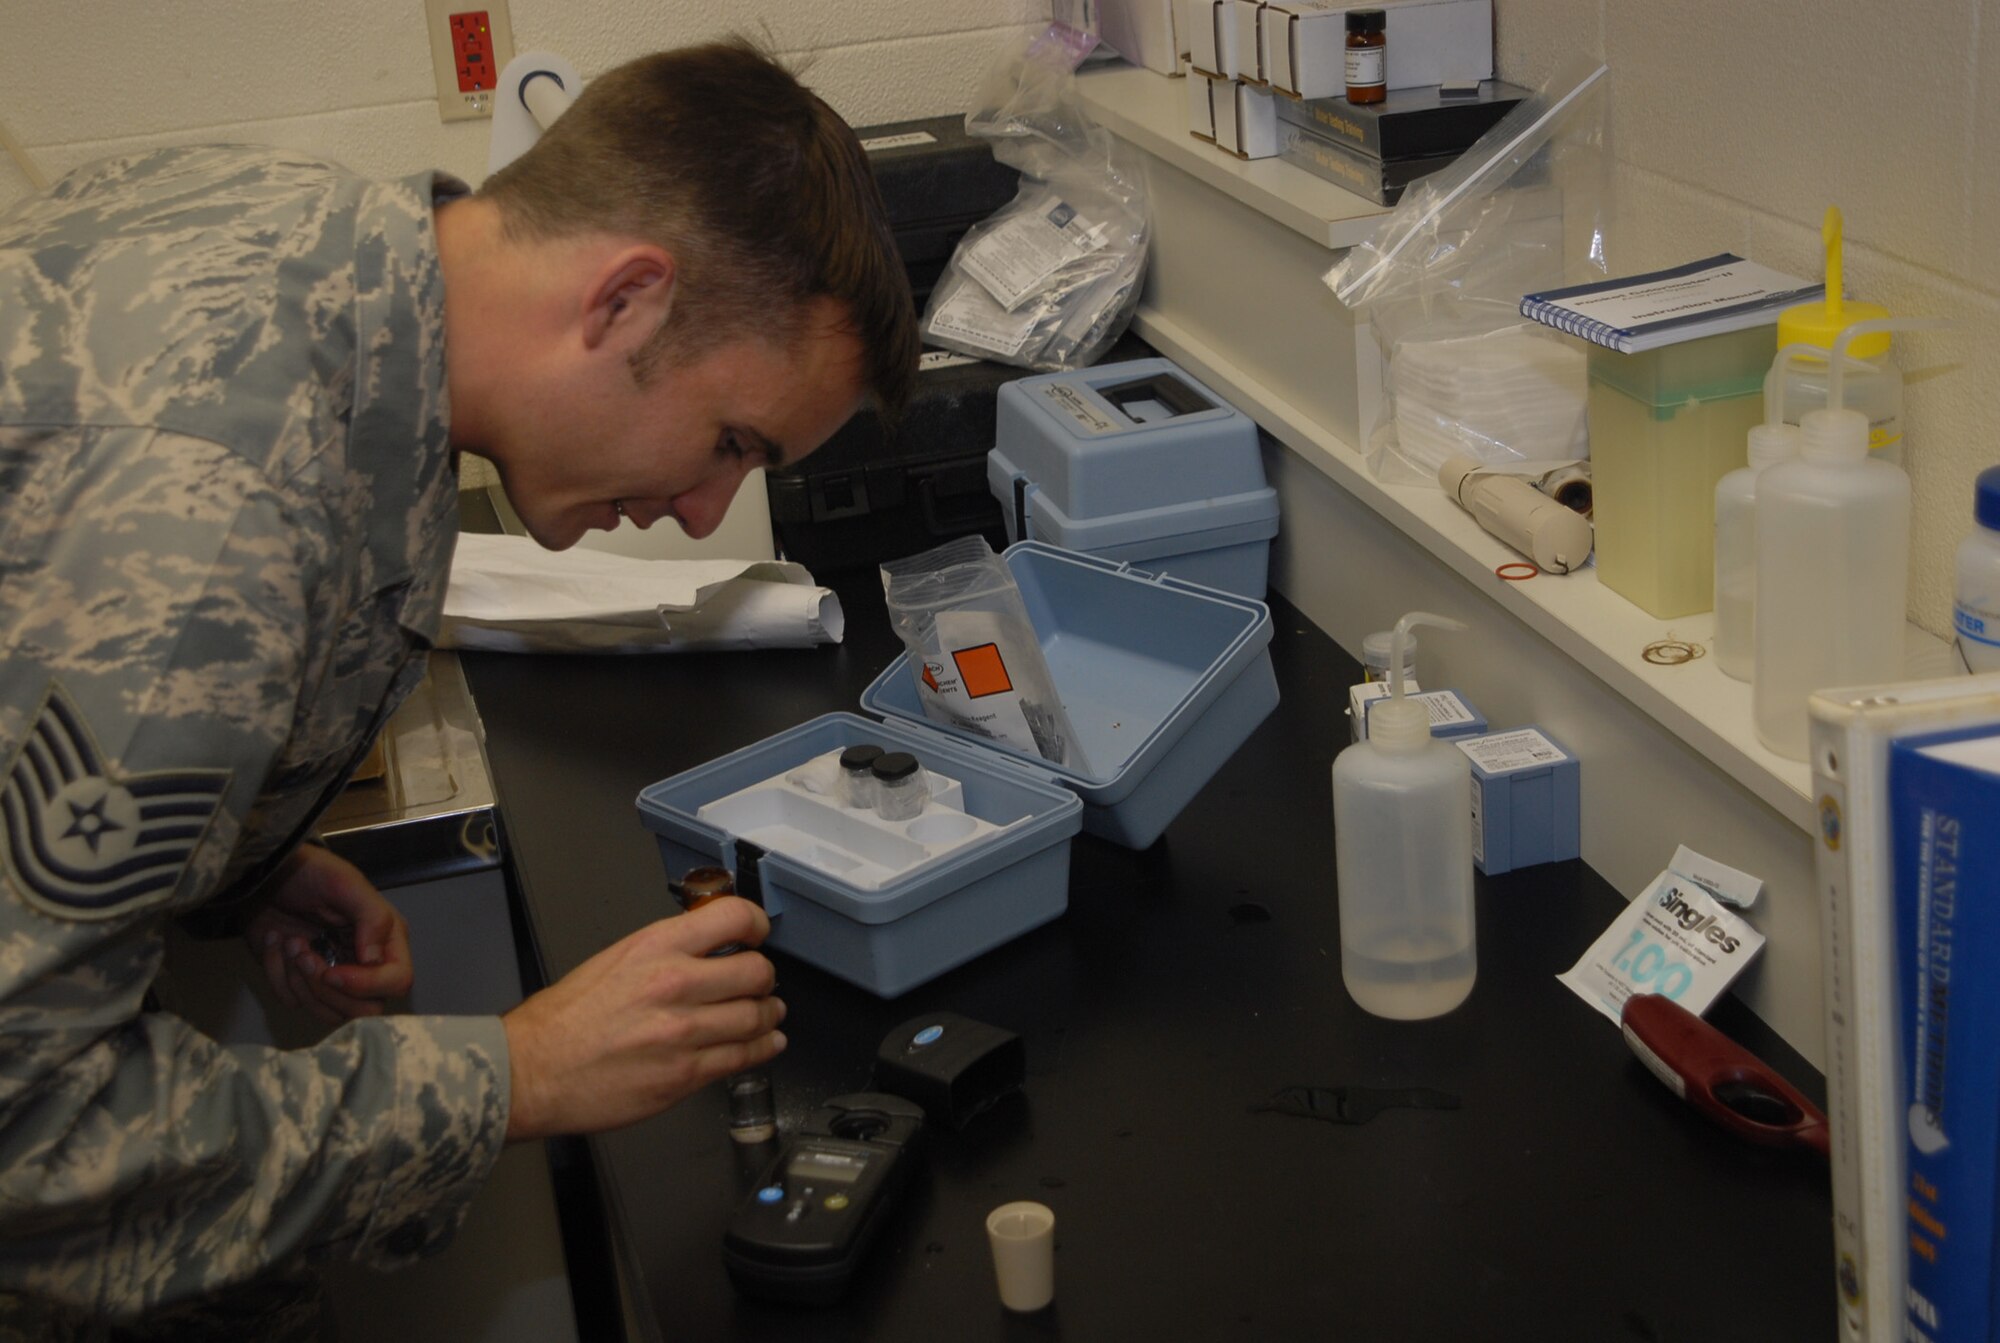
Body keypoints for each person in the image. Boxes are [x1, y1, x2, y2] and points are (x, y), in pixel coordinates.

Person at [0, 36, 916, 1339]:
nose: (707, 507)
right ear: (624, 302)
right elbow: (26, 1143)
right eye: (730, 443)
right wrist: (514, 1074)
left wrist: (236, 856)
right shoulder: (213, 514)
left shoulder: (315, 244)